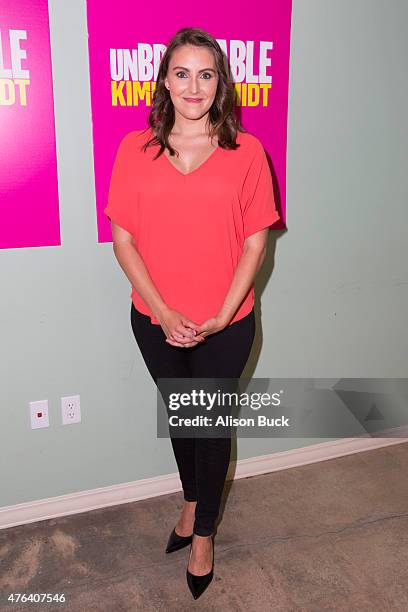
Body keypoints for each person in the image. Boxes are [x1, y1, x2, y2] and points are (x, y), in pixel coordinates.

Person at [104, 27, 280, 600]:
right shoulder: (135, 149)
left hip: (225, 323)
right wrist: (163, 309)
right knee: (183, 419)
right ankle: (190, 504)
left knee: (211, 427)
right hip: (155, 319)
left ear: (220, 84)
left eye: (206, 74)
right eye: (182, 73)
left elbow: (255, 244)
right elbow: (123, 240)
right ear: (164, 82)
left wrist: (221, 317)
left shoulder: (246, 152)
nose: (194, 85)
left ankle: (202, 535)